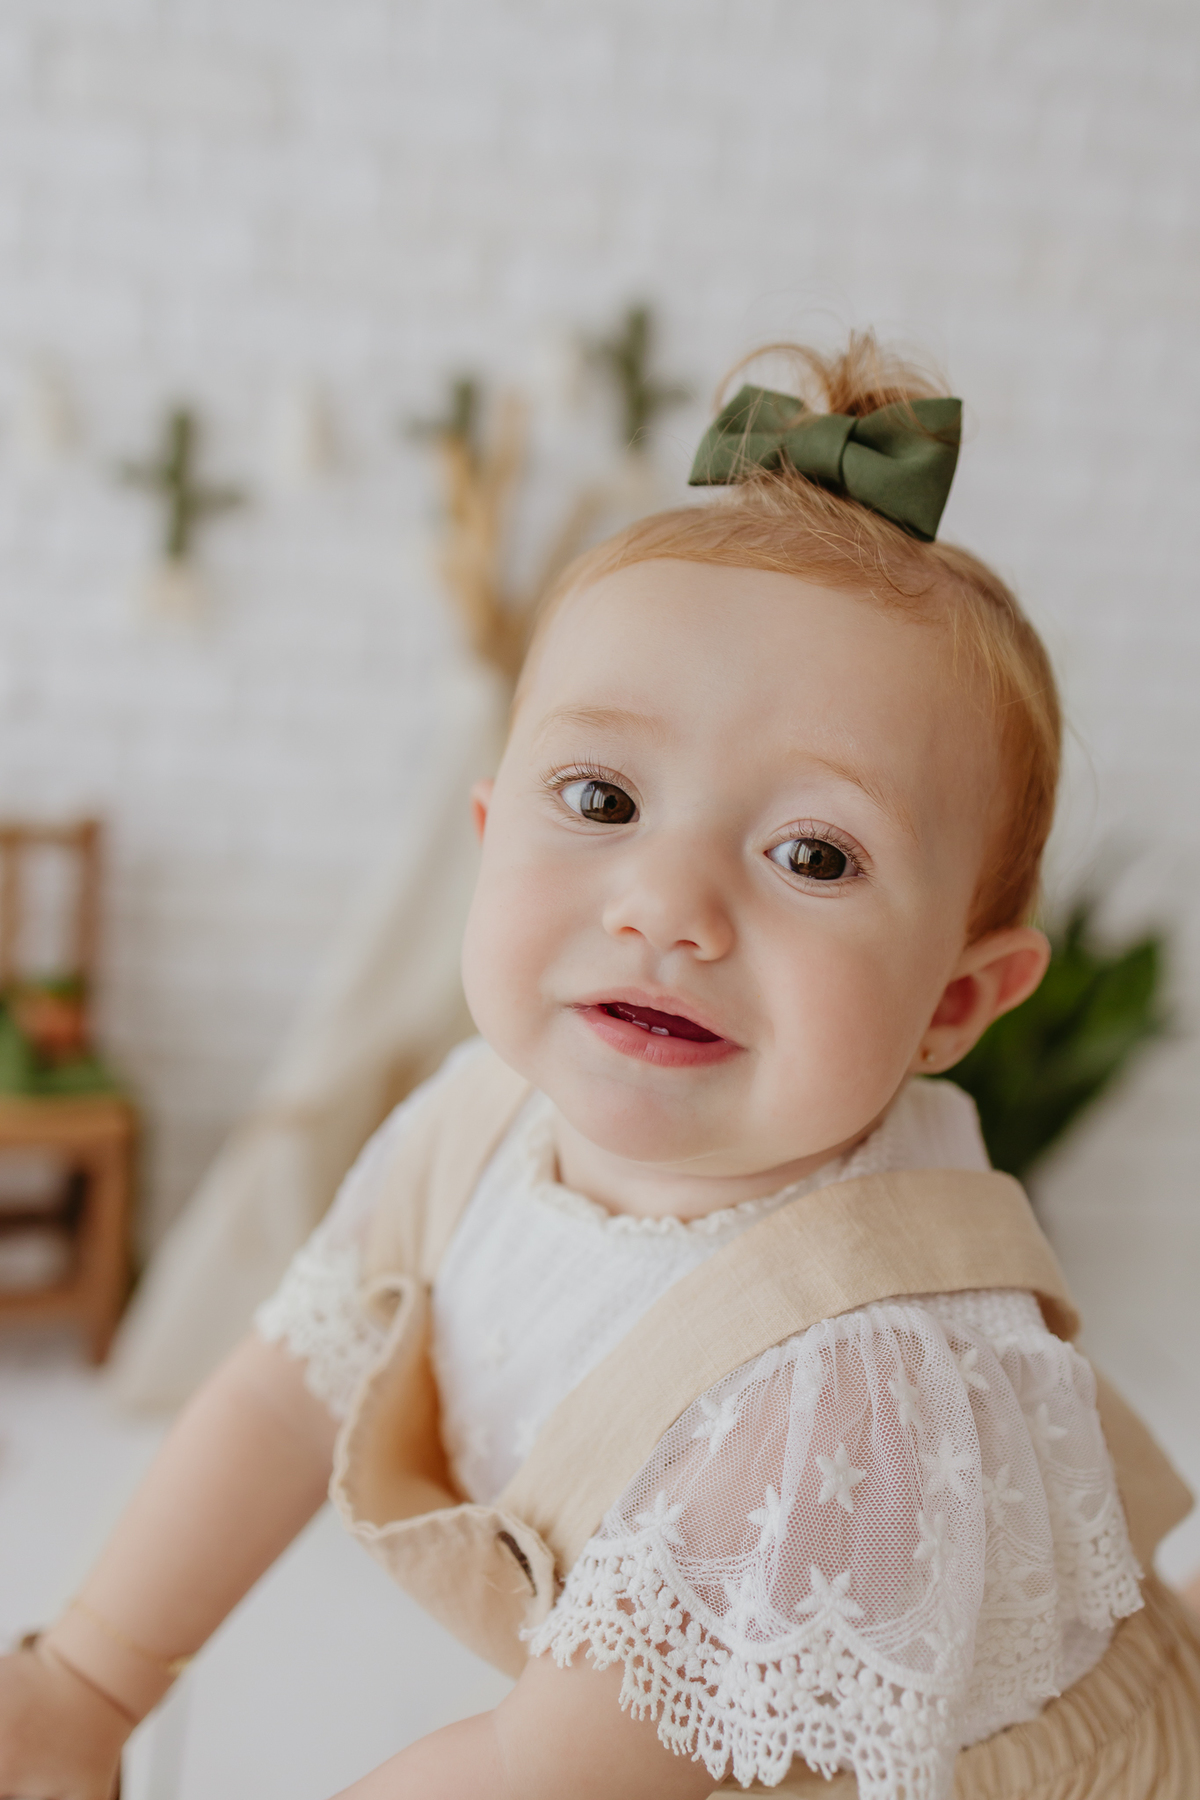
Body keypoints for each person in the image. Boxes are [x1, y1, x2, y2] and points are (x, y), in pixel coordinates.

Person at [2, 335, 1197, 1800]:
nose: (667, 907)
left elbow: (544, 1773)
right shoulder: (480, 1116)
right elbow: (285, 1395)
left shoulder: (847, 1378)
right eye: (602, 797)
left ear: (955, 1002)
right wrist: (81, 1682)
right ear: (489, 835)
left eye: (814, 855)